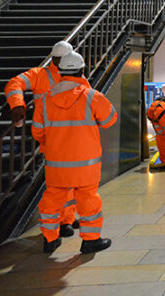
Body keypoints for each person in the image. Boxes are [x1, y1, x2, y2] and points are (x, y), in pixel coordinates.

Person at [33, 51, 115, 254]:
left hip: (56, 163)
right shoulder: (92, 97)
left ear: (59, 71)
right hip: (87, 163)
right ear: (82, 70)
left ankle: (50, 240)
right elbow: (109, 120)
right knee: (88, 200)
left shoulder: (44, 100)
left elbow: (37, 132)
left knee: (52, 200)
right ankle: (90, 241)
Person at [5, 40, 79, 236]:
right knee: (60, 182)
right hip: (53, 138)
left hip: (70, 136)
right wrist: (17, 105)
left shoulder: (70, 74)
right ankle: (61, 222)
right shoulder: (40, 74)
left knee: (71, 180)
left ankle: (68, 218)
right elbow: (15, 83)